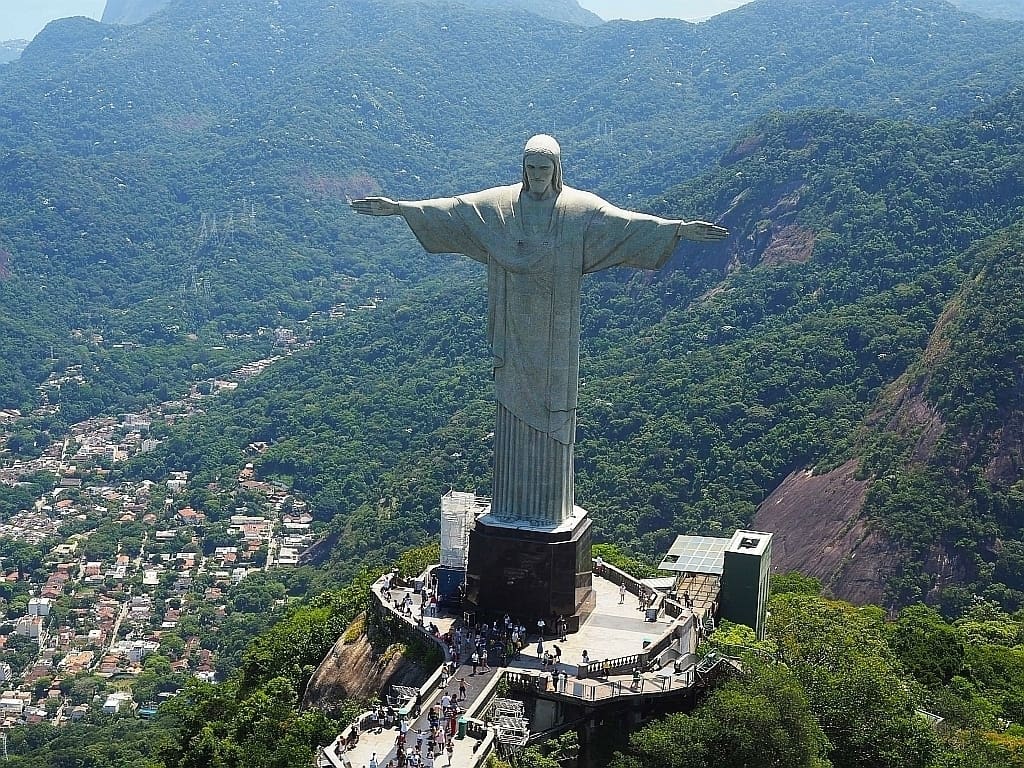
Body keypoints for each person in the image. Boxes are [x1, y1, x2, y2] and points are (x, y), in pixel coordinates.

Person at [352, 136, 727, 527]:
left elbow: (625, 225)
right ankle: (511, 510)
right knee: (511, 407)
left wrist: (677, 230)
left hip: (555, 335)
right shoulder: (501, 207)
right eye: (530, 169)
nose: (536, 177)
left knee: (553, 410)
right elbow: (456, 210)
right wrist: (399, 209)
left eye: (544, 170)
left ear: (557, 171)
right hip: (514, 327)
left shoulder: (578, 210)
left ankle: (548, 511)